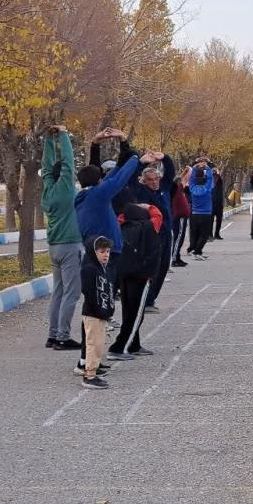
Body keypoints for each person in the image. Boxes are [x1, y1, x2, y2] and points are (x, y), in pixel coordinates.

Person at [75, 129, 154, 370]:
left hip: (99, 254)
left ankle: (88, 358)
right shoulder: (99, 195)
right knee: (98, 307)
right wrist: (133, 155)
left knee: (97, 305)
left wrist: (97, 145)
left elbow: (105, 175)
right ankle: (87, 363)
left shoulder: (86, 195)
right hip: (104, 256)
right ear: (99, 180)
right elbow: (119, 177)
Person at [40, 126, 83, 351]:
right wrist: (64, 135)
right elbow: (68, 163)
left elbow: (46, 167)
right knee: (72, 292)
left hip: (54, 246)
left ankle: (53, 334)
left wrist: (49, 139)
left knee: (58, 292)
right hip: (69, 246)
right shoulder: (66, 189)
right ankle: (63, 337)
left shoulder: (47, 189)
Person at [107, 202, 163, 360]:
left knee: (128, 310)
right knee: (136, 314)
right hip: (141, 275)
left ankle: (134, 344)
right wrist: (147, 206)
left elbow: (121, 216)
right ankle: (119, 347)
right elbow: (158, 213)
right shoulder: (150, 226)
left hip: (124, 274)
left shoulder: (120, 226)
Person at [125, 152, 175, 314]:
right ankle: (145, 300)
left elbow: (171, 172)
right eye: (150, 180)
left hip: (167, 233)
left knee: (163, 267)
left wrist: (164, 157)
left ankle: (151, 299)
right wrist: (141, 162)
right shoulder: (140, 192)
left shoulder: (165, 188)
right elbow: (131, 179)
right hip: (152, 234)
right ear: (144, 181)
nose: (154, 183)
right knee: (151, 268)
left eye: (156, 179)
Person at [76, 236, 114, 389]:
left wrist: (108, 309)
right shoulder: (89, 270)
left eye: (108, 251)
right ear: (93, 252)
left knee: (99, 344)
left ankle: (94, 368)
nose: (106, 255)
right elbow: (90, 293)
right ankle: (89, 375)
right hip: (93, 313)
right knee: (93, 343)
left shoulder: (103, 269)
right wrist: (99, 310)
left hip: (101, 313)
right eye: (102, 252)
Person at [185, 162, 215, 260]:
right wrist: (207, 167)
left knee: (194, 233)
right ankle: (197, 251)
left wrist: (194, 167)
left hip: (194, 214)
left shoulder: (192, 188)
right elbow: (210, 178)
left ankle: (194, 250)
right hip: (206, 214)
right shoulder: (207, 188)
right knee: (204, 234)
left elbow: (191, 179)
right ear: (204, 179)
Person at [170, 178, 191, 267]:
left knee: (180, 238)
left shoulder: (180, 188)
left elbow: (184, 179)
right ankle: (174, 259)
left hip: (182, 217)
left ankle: (177, 257)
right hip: (179, 217)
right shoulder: (175, 190)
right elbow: (186, 177)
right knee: (178, 238)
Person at [211, 167, 226, 240]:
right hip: (211, 203)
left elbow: (218, 175)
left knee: (219, 220)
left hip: (219, 203)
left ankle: (217, 234)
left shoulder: (219, 180)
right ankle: (210, 235)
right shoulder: (209, 181)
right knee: (210, 220)